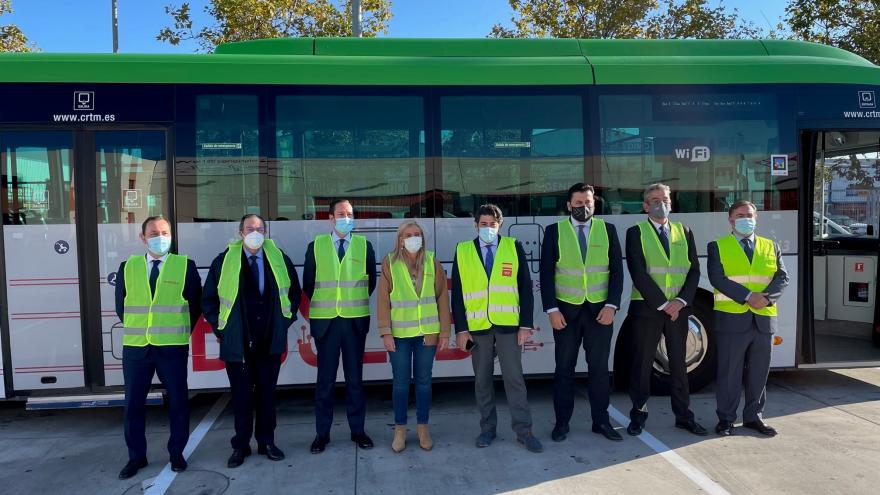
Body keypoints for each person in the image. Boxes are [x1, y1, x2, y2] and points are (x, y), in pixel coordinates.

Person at [202, 214, 301, 468]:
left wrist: (283, 323)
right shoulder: (223, 261)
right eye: (250, 228)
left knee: (267, 396)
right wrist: (221, 330)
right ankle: (241, 445)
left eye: (260, 228)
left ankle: (267, 441)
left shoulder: (279, 259)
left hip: (269, 341)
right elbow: (209, 300)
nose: (256, 232)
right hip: (237, 344)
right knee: (242, 397)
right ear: (240, 232)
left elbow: (293, 294)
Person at [451, 204, 543, 453]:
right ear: (476, 225)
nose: (488, 228)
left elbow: (525, 288)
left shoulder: (513, 247)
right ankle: (487, 429)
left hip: (509, 327)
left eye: (493, 224)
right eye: (483, 224)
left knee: (514, 380)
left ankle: (524, 431)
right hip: (478, 328)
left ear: (500, 225)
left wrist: (525, 325)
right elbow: (458, 295)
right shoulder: (463, 250)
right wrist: (461, 329)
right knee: (482, 381)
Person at [115, 215, 202, 479]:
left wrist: (176, 330)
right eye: (153, 233)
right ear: (142, 238)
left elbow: (195, 307)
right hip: (136, 348)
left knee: (178, 403)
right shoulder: (127, 267)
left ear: (171, 236)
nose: (160, 237)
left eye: (164, 232)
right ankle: (136, 457)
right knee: (133, 405)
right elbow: (122, 307)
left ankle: (177, 453)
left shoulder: (185, 265)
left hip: (171, 347)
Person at [540, 183, 624, 443]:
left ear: (594, 204)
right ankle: (562, 423)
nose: (583, 208)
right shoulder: (555, 231)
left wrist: (612, 305)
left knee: (599, 370)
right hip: (566, 312)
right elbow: (546, 273)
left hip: (600, 312)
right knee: (564, 369)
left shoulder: (607, 230)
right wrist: (552, 309)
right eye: (578, 203)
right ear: (568, 205)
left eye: (588, 203)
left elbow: (616, 273)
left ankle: (601, 421)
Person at [625, 183, 707, 437]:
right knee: (642, 365)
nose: (662, 203)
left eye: (666, 199)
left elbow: (694, 271)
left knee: (679, 367)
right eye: (655, 199)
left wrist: (680, 302)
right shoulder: (635, 232)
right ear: (646, 206)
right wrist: (663, 304)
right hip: (648, 309)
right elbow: (638, 273)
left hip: (679, 311)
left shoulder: (685, 231)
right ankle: (638, 415)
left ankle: (684, 416)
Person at [707, 200, 789, 436]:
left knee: (759, 374)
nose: (746, 218)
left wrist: (767, 299)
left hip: (763, 319)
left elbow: (782, 278)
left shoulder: (770, 246)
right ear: (730, 219)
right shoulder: (717, 246)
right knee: (729, 373)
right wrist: (748, 296)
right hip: (732, 320)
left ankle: (754, 417)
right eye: (740, 215)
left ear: (756, 218)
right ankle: (726, 419)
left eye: (750, 214)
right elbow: (717, 278)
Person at [303, 199, 377, 454]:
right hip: (326, 325)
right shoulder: (316, 247)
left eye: (350, 214)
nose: (346, 218)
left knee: (355, 381)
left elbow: (370, 283)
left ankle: (358, 430)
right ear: (331, 218)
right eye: (341, 214)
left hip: (354, 323)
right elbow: (309, 284)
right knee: (325, 382)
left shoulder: (364, 246)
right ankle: (322, 434)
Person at [377, 220, 451, 452]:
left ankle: (423, 429)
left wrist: (444, 332)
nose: (413, 238)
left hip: (426, 335)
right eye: (408, 234)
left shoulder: (432, 261)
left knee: (424, 383)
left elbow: (441, 298)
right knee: (400, 384)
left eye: (417, 234)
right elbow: (382, 300)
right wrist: (385, 332)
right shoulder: (390, 263)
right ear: (400, 239)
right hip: (399, 335)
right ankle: (400, 430)